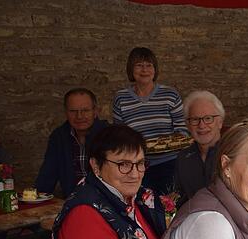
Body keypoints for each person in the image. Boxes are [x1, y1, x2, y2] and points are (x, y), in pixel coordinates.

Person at [113, 47, 187, 195]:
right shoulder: (120, 98)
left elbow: (182, 131)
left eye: (149, 65)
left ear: (155, 69)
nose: (144, 70)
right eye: (139, 65)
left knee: (169, 208)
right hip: (136, 167)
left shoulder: (170, 95)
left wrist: (163, 144)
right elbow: (119, 136)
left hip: (170, 164)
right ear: (131, 69)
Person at [35, 88, 109, 197]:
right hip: (73, 201)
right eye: (73, 111)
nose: (79, 116)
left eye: (85, 110)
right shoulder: (59, 137)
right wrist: (35, 198)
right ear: (66, 112)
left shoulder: (109, 135)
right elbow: (47, 175)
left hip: (105, 201)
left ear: (95, 112)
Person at [174, 90, 224, 203]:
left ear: (220, 122)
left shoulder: (233, 155)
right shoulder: (183, 158)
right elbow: (180, 200)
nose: (201, 125)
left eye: (208, 118)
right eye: (195, 119)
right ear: (187, 125)